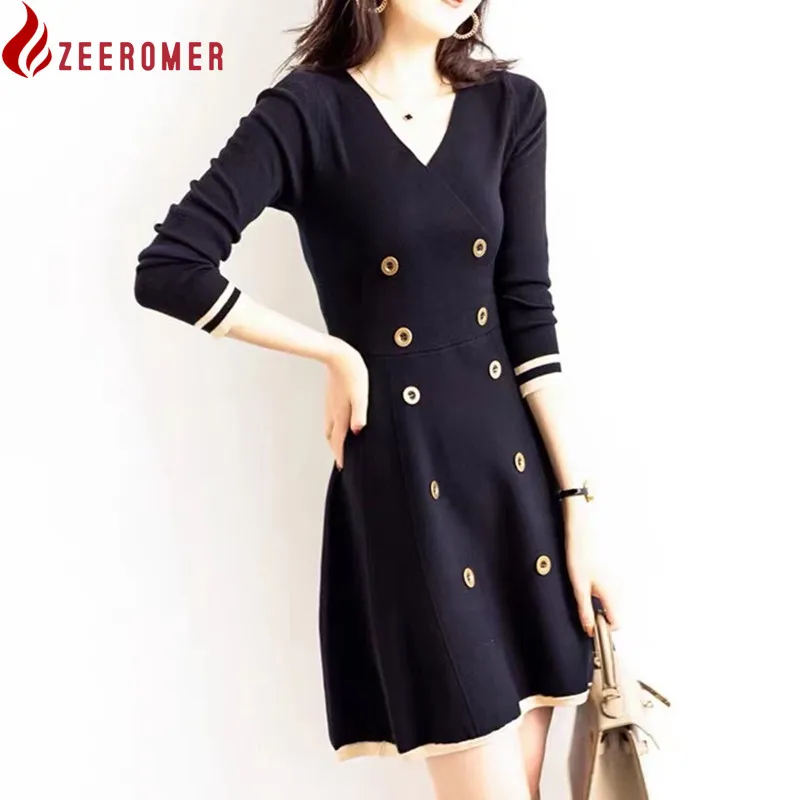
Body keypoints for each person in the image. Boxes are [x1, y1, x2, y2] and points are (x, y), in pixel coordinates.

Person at [133, 1, 618, 797]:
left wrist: (579, 509)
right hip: (408, 482)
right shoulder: (308, 112)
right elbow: (170, 266)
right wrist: (333, 352)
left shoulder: (511, 106)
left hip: (513, 481)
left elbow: (529, 319)